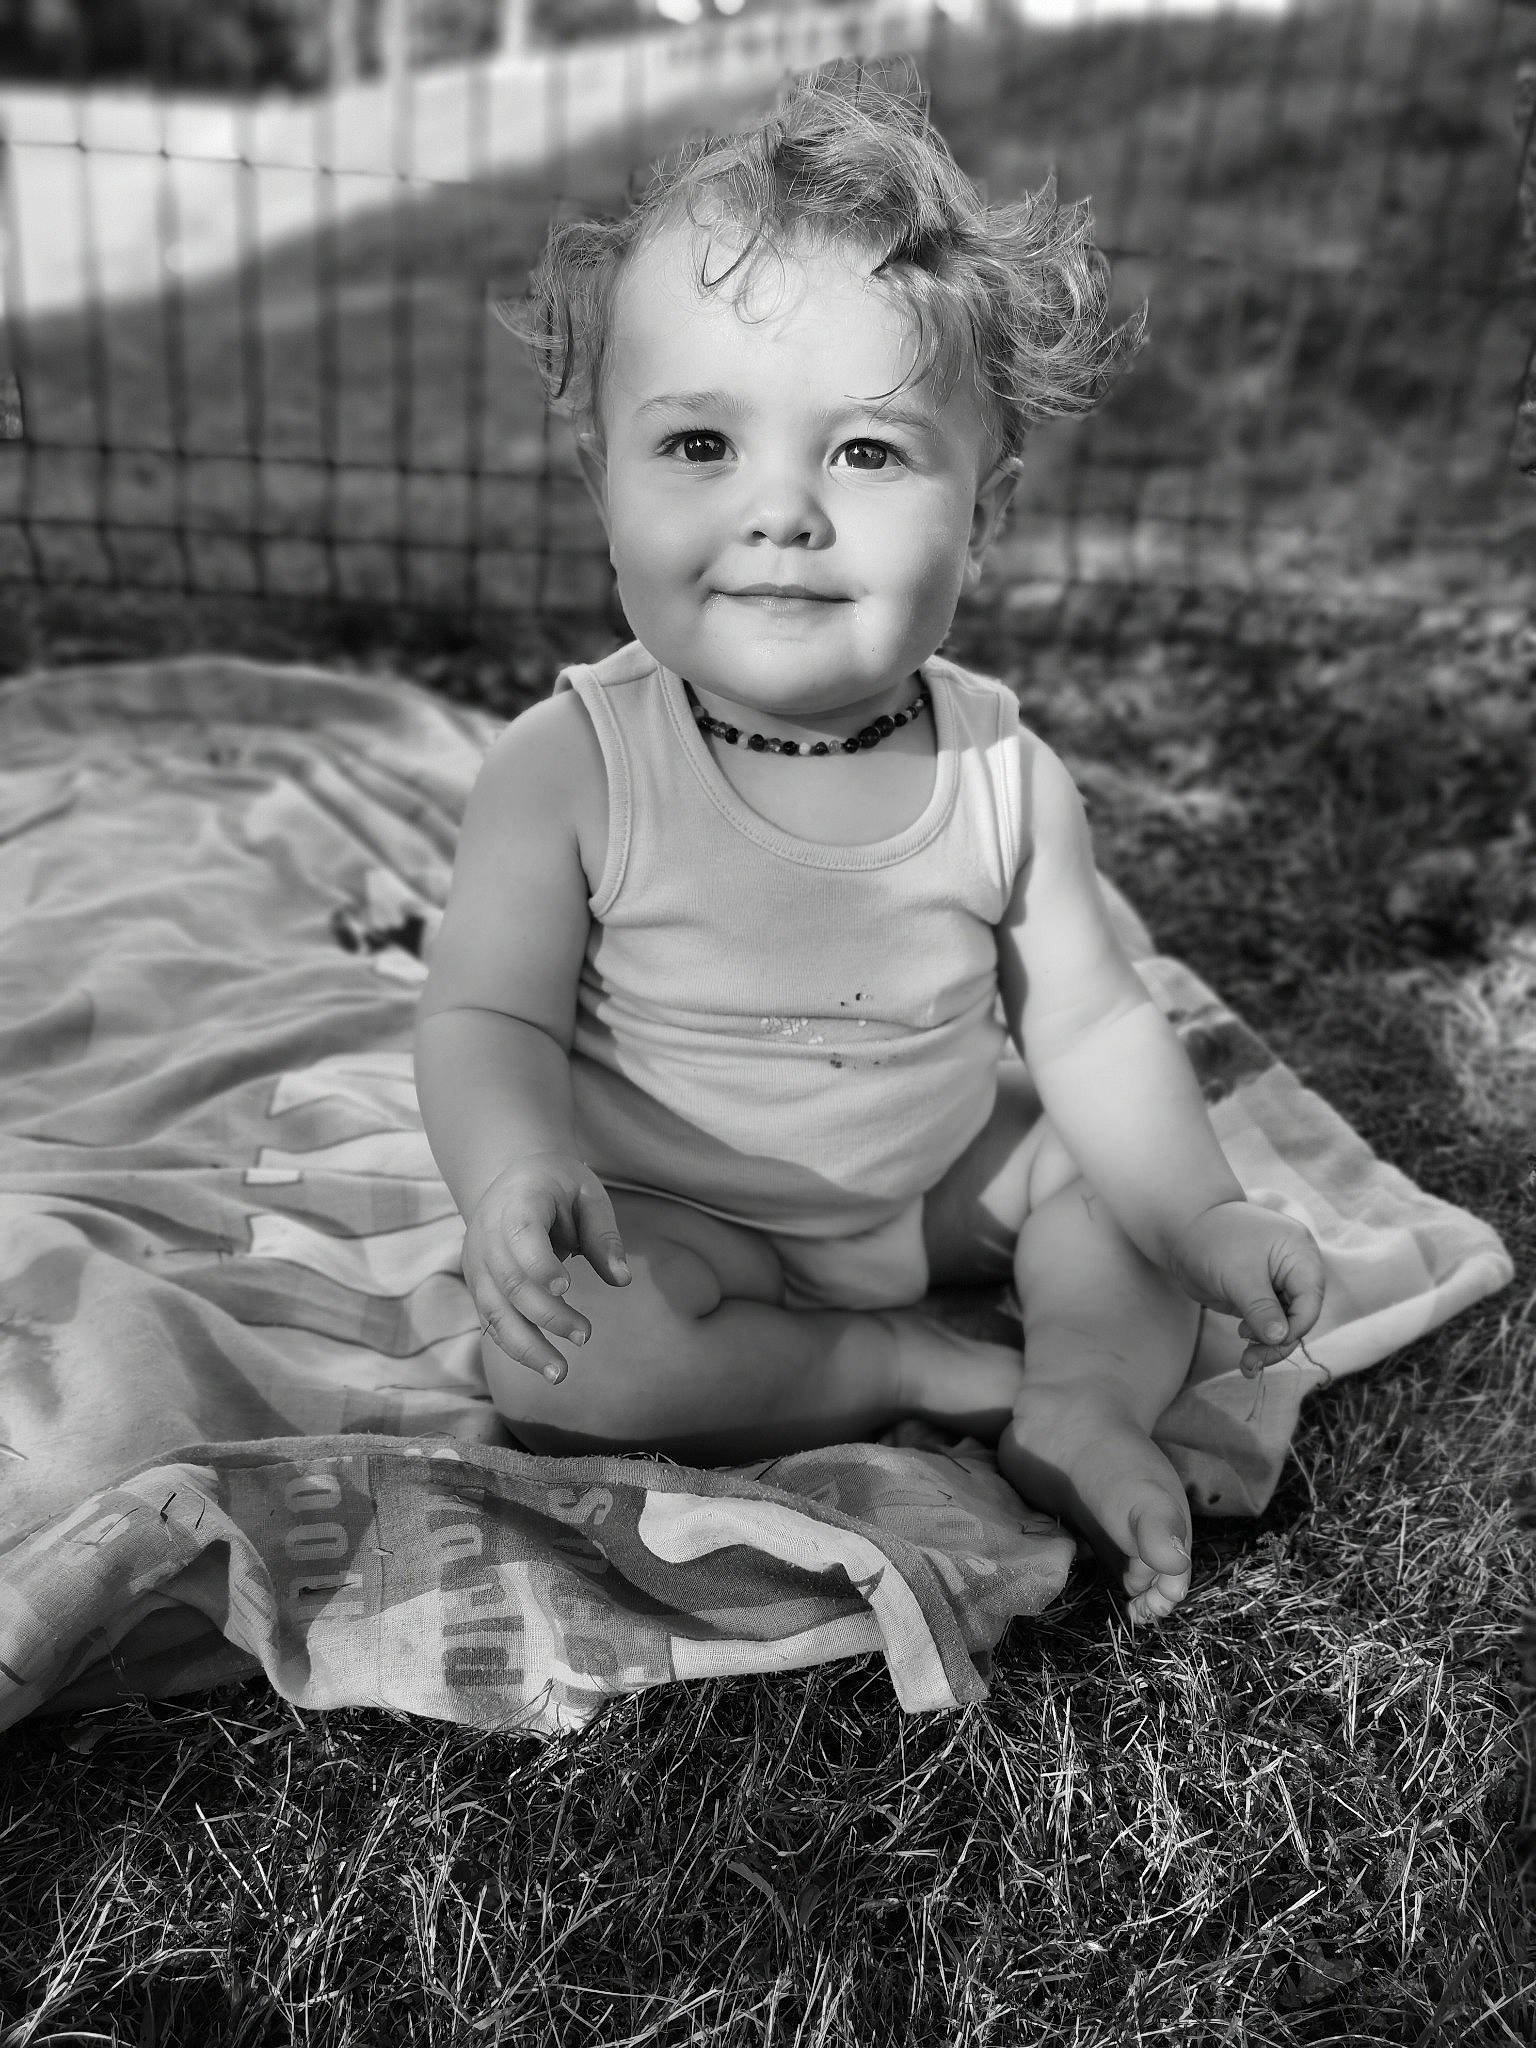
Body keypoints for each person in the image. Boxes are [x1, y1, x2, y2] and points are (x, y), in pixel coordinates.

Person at [414, 61, 1325, 1623]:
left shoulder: (1001, 772)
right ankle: (887, 1362)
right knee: (566, 1365)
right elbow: (483, 1017)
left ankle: (1080, 1404)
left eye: (867, 452)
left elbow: (1094, 1027)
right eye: (700, 446)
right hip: (682, 1216)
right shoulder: (570, 768)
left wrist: (1202, 1214)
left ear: (987, 511)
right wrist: (518, 1171)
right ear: (599, 480)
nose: (783, 511)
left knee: (1118, 1184)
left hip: (931, 1180)